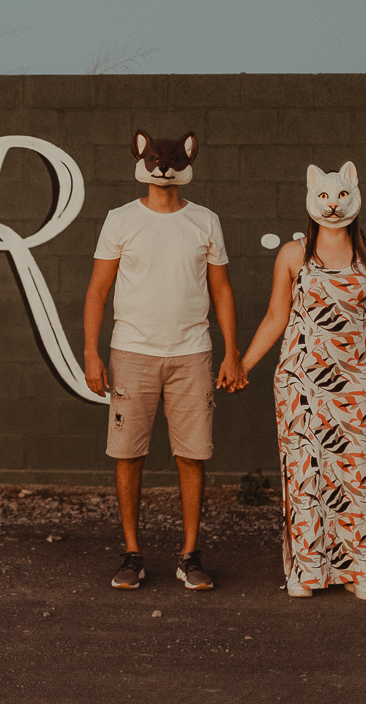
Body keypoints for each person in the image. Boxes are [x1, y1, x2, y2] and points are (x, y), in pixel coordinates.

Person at [84, 130, 245, 592]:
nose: (164, 167)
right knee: (128, 453)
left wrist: (232, 352)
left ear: (187, 161)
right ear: (142, 158)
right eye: (156, 159)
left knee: (192, 455)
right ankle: (132, 555)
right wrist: (93, 353)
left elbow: (222, 290)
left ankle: (189, 555)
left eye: (173, 159)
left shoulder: (205, 221)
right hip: (131, 353)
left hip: (192, 355)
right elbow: (98, 290)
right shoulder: (119, 220)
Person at [239, 162, 366, 600]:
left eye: (340, 195)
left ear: (354, 194)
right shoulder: (293, 255)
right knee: (305, 475)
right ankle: (307, 571)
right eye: (324, 196)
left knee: (356, 476)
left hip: (356, 381)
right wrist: (243, 365)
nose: (332, 204)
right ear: (312, 197)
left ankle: (361, 572)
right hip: (300, 384)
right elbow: (276, 317)